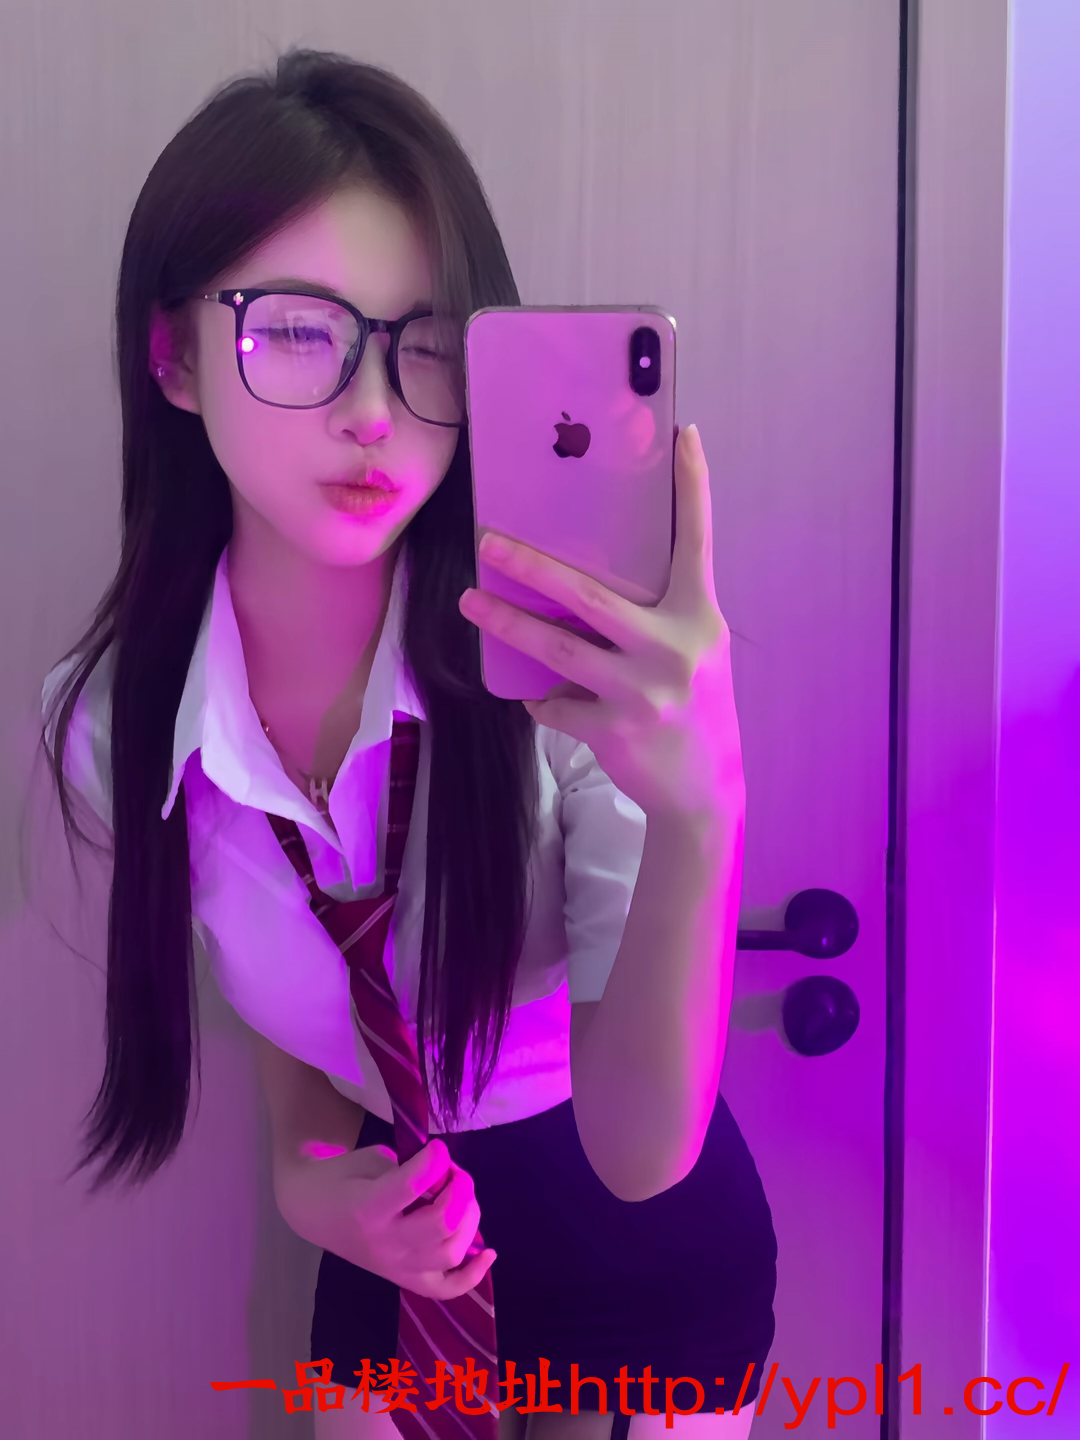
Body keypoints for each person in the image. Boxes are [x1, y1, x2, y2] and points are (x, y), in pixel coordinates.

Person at [42, 49, 776, 1440]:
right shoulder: (115, 728)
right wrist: (304, 1172)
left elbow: (640, 1151)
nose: (374, 409)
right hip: (394, 1246)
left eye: (425, 341)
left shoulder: (560, 673)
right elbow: (293, 989)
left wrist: (702, 807)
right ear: (172, 355)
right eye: (296, 330)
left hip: (644, 1252)